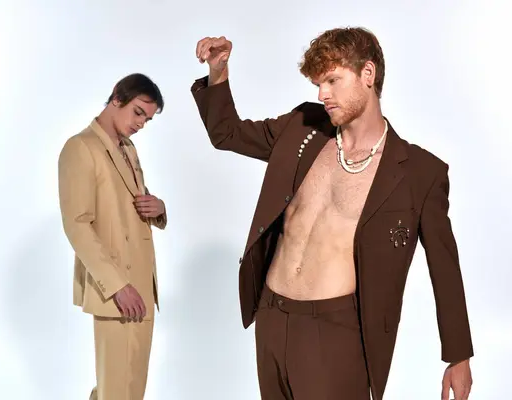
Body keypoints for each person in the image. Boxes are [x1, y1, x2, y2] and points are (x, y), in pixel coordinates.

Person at [191, 27, 473, 400]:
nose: (322, 94)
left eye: (332, 80)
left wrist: (458, 356)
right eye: (319, 84)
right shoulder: (303, 128)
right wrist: (218, 73)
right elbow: (226, 134)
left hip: (336, 334)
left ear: (367, 75)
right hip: (272, 319)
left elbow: (444, 265)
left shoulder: (419, 172)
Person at [58, 73, 167, 400]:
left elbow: (129, 203)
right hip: (116, 287)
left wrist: (158, 208)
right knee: (116, 389)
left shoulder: (128, 149)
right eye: (138, 112)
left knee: (131, 387)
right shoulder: (80, 148)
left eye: (147, 119)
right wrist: (118, 286)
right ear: (117, 97)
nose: (141, 124)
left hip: (143, 284)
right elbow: (77, 224)